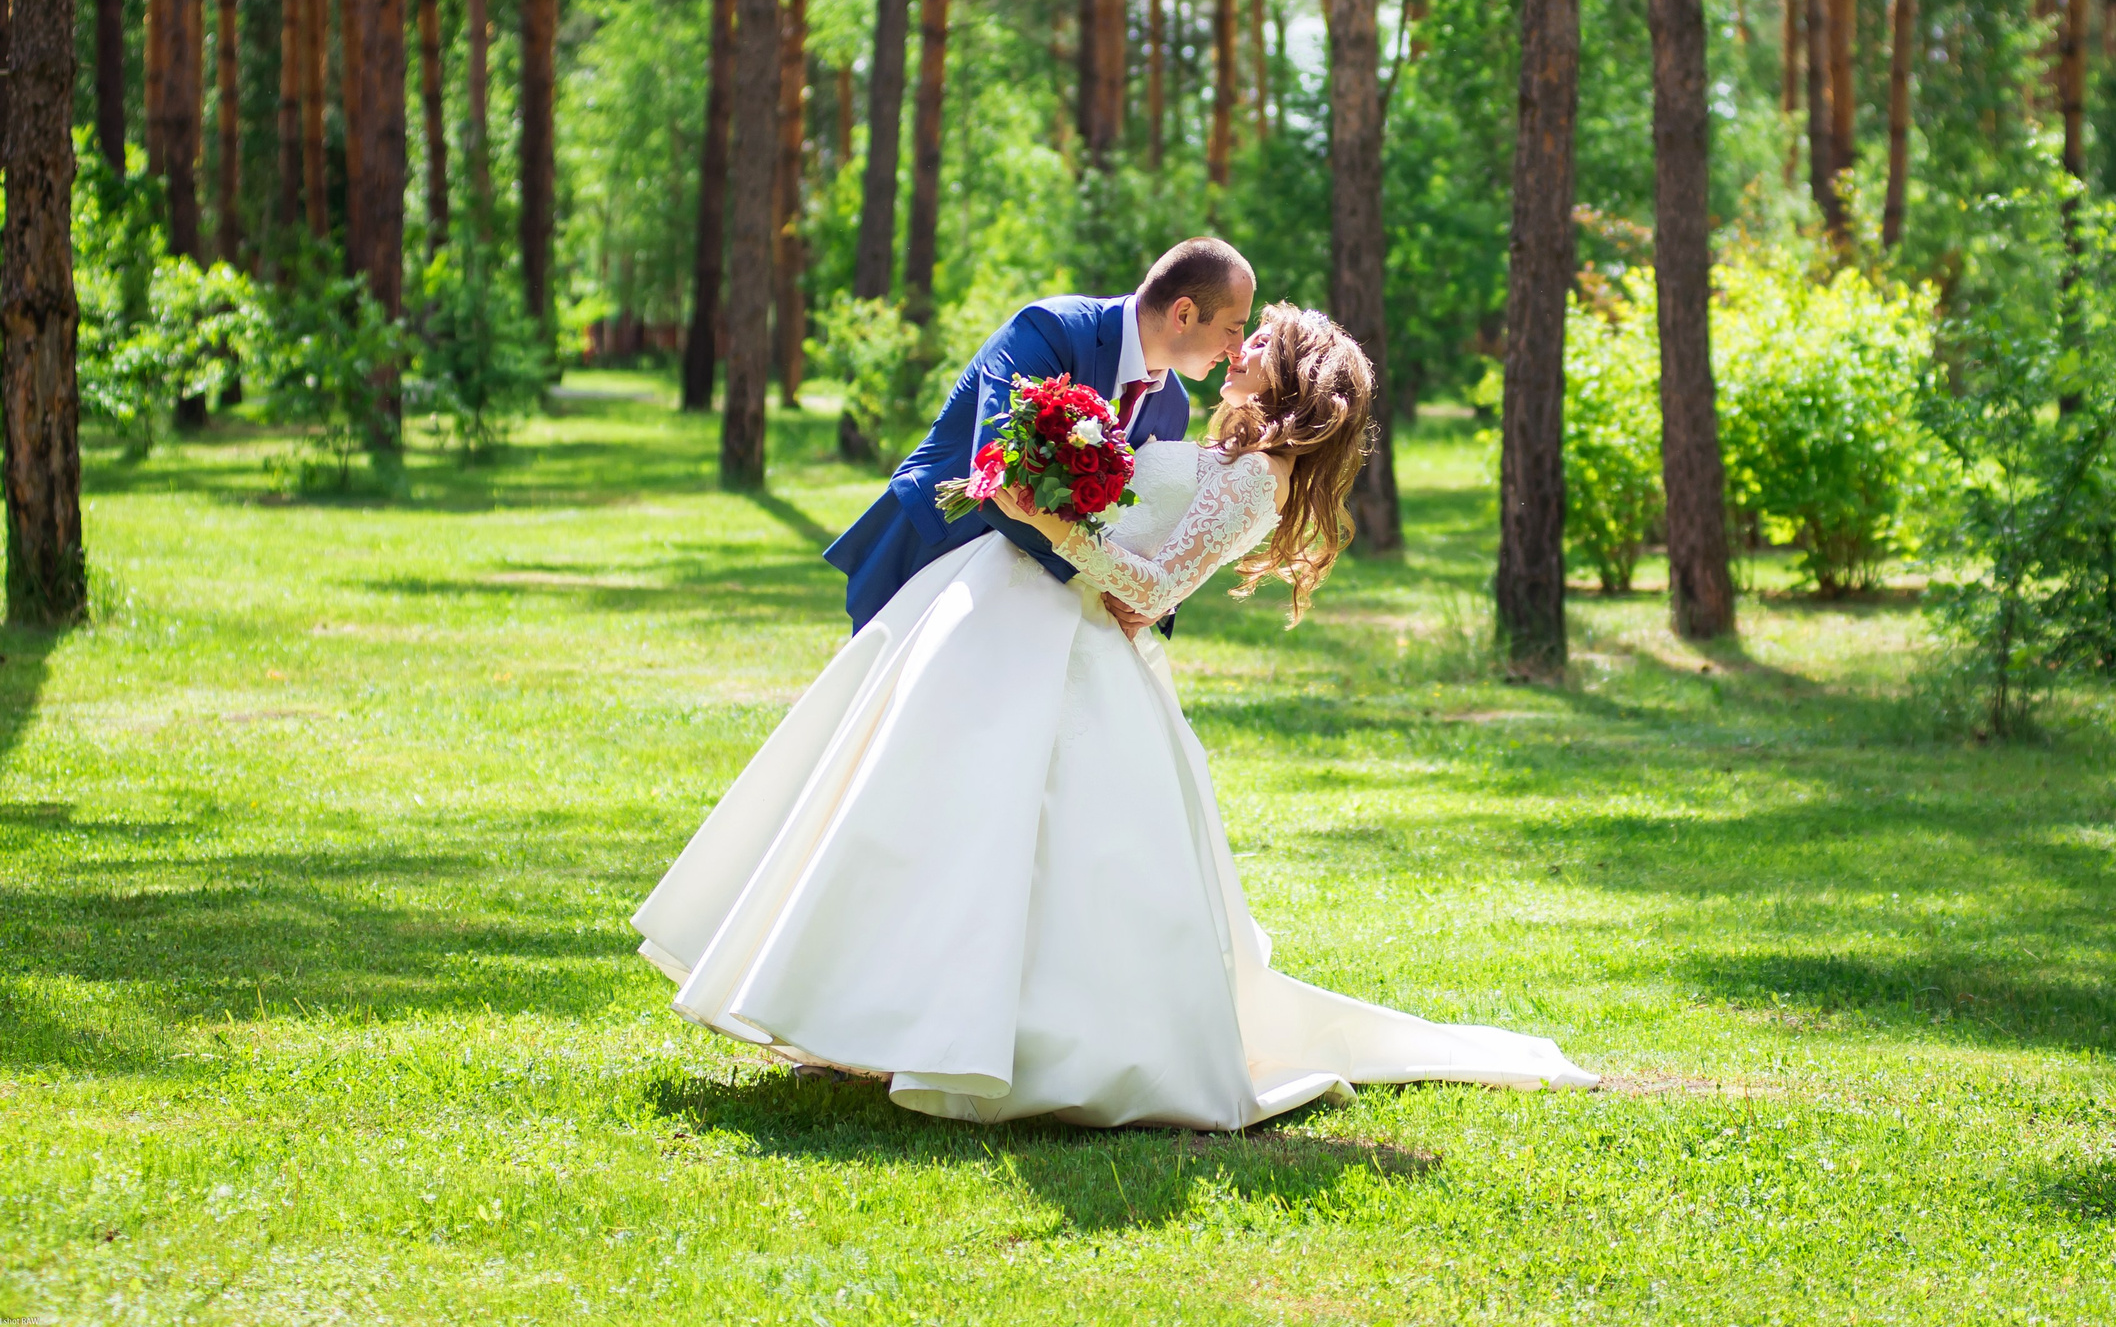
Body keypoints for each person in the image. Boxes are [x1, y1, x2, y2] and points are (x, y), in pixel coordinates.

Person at [633, 304, 1597, 1129]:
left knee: (1037, 849)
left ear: (1292, 372)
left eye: (1258, 340)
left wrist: (1051, 521)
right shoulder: (1221, 443)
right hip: (1017, 619)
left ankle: (1007, 1039)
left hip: (1080, 652)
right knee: (930, 819)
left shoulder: (1261, 479)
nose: (1239, 348)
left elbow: (1155, 579)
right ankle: (875, 1012)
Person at [820, 237, 1255, 634]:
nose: (1238, 348)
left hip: (1042, 599)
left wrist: (1153, 599)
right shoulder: (1051, 330)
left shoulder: (1172, 406)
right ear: (1184, 313)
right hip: (935, 549)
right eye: (1234, 327)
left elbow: (1135, 519)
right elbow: (996, 474)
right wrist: (1096, 573)